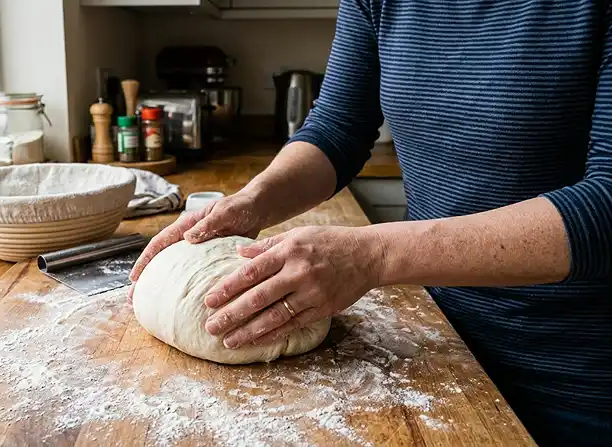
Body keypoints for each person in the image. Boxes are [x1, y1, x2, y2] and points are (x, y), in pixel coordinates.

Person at [128, 1, 612, 444]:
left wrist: (373, 254)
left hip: (575, 374)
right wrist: (254, 200)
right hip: (436, 345)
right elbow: (339, 126)